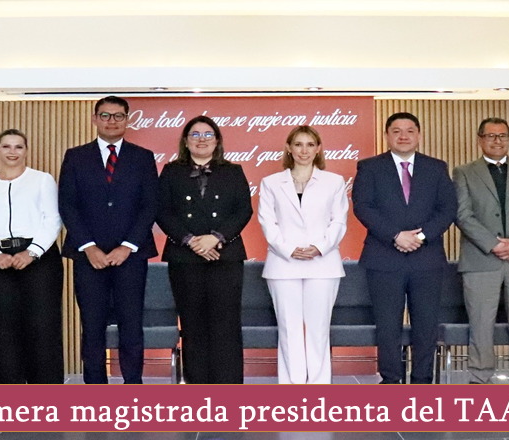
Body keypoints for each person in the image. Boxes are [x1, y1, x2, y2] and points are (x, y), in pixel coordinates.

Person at [58, 96, 159, 384]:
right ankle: (95, 389)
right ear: (94, 119)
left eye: (118, 116)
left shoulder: (143, 157)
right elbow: (68, 205)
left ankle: (132, 386)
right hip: (89, 257)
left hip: (131, 257)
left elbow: (149, 205)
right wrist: (88, 246)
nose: (111, 121)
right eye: (105, 115)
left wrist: (127, 246)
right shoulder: (75, 156)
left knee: (131, 324)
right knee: (92, 325)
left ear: (127, 120)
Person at [352, 112, 457, 384]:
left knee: (426, 326)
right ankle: (390, 381)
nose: (403, 136)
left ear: (419, 135)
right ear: (387, 136)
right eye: (396, 131)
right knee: (388, 327)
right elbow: (363, 207)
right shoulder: (369, 167)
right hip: (384, 258)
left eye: (409, 130)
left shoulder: (436, 168)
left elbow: (447, 209)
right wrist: (395, 235)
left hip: (427, 259)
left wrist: (420, 237)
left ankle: (422, 382)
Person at [157, 115, 253, 384]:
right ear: (186, 142)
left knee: (226, 324)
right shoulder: (171, 171)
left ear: (217, 141)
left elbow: (243, 210)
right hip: (184, 258)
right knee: (192, 324)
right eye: (195, 135)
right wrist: (191, 241)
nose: (201, 140)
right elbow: (162, 212)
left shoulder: (233, 171)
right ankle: (198, 386)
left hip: (226, 256)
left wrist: (216, 238)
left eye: (208, 134)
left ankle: (229, 387)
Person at [0, 129, 64, 384]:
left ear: (26, 151)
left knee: (43, 327)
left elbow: (52, 220)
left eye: (18, 147)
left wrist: (32, 252)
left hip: (39, 259)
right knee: (3, 329)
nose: (12, 152)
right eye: (7, 146)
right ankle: (9, 396)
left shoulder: (42, 180)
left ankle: (48, 395)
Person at [453, 117, 509, 385]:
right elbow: (463, 214)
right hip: (481, 259)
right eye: (491, 136)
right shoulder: (464, 172)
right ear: (480, 139)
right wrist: (494, 245)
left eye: (503, 135)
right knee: (481, 325)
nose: (497, 141)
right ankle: (480, 379)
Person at [257, 125, 349, 384]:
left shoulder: (334, 182)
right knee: (289, 329)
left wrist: (319, 247)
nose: (304, 150)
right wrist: (288, 249)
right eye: (298, 144)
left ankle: (319, 387)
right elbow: (267, 222)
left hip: (323, 264)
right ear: (289, 148)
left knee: (319, 330)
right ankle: (292, 388)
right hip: (283, 265)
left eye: (310, 144)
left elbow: (339, 221)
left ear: (318, 148)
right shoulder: (271, 183)